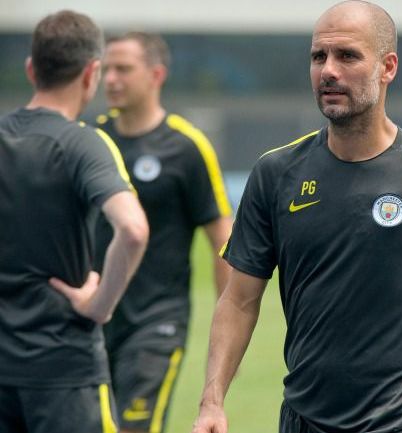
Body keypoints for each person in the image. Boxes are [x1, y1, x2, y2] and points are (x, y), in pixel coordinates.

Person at [192, 1, 402, 433]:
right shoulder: (275, 173)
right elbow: (240, 299)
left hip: (400, 421)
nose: (328, 71)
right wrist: (212, 401)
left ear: (387, 67)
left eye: (347, 56)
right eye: (319, 57)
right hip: (300, 420)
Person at [0, 10, 149, 433]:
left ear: (31, 69)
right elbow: (133, 229)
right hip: (65, 371)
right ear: (92, 73)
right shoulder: (84, 143)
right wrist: (99, 305)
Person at [93, 31, 233, 433]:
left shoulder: (187, 147)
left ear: (156, 74)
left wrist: (223, 341)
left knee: (135, 427)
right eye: (106, 69)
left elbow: (223, 242)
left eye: (123, 69)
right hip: (93, 316)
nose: (112, 79)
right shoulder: (93, 140)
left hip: (157, 322)